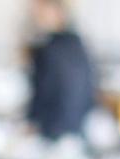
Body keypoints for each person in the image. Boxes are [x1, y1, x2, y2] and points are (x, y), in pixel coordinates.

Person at [25, 0, 96, 140]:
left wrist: (34, 122)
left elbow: (45, 91)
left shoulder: (51, 49)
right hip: (76, 129)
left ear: (58, 12)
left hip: (53, 130)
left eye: (41, 12)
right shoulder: (77, 44)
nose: (36, 16)